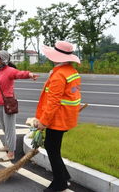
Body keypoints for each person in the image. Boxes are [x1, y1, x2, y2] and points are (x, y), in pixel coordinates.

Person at [34, 41, 81, 192]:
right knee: (54, 148)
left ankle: (59, 183)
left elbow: (53, 102)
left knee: (51, 148)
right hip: (66, 117)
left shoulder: (59, 75)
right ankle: (64, 176)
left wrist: (43, 121)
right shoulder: (70, 71)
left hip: (57, 119)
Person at [0, 50, 38, 162]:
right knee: (4, 126)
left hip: (8, 104)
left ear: (4, 60)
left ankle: (11, 153)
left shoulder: (9, 71)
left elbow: (19, 74)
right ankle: (7, 145)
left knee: (10, 128)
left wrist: (30, 74)